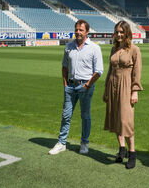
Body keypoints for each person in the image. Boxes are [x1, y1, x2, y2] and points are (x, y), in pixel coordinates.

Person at [49, 19, 103, 155]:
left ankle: (84, 143)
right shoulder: (69, 47)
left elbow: (99, 71)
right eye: (77, 29)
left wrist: (88, 85)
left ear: (87, 32)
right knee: (66, 115)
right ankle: (62, 143)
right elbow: (64, 66)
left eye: (81, 30)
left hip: (85, 86)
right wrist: (65, 84)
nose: (78, 32)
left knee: (85, 116)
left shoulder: (95, 48)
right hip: (70, 86)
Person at [103, 20, 143, 169]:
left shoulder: (134, 49)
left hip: (126, 87)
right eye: (117, 32)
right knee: (115, 118)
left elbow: (136, 73)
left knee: (126, 121)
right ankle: (121, 149)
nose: (119, 35)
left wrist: (135, 92)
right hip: (112, 85)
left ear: (127, 33)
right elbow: (109, 71)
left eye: (122, 32)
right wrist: (106, 89)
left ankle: (132, 153)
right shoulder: (113, 49)